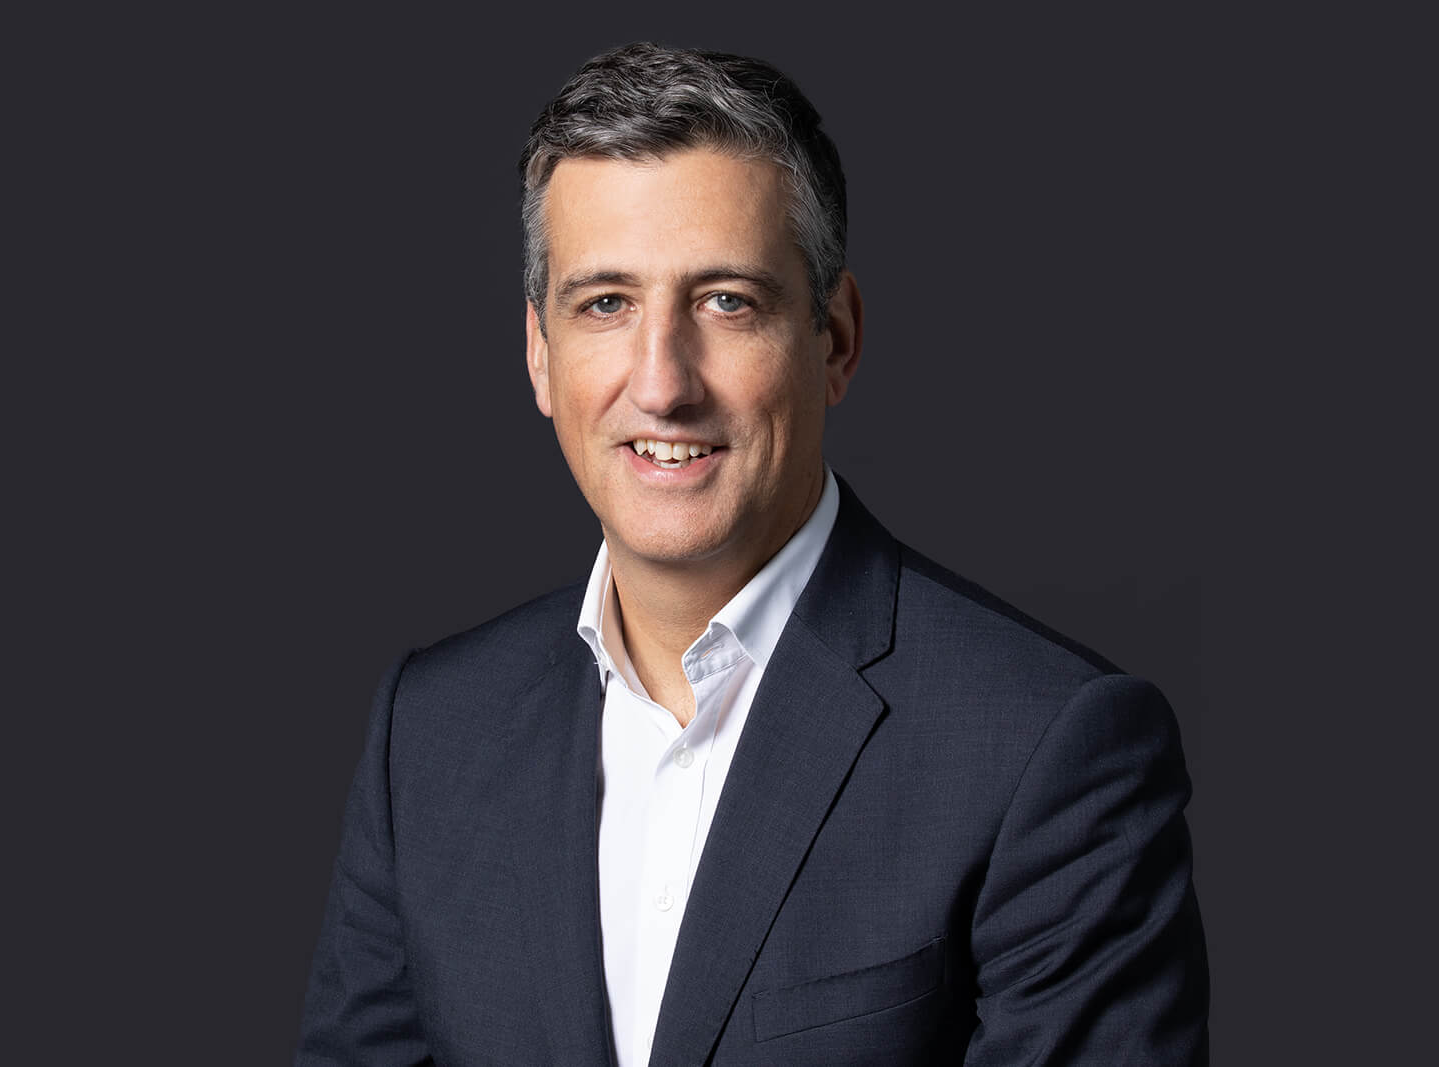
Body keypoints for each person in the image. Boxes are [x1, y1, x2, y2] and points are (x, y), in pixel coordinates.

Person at [297, 42, 1208, 1066]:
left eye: (726, 300)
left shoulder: (1047, 748)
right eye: (606, 304)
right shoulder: (431, 731)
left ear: (836, 337)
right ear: (540, 354)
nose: (662, 382)